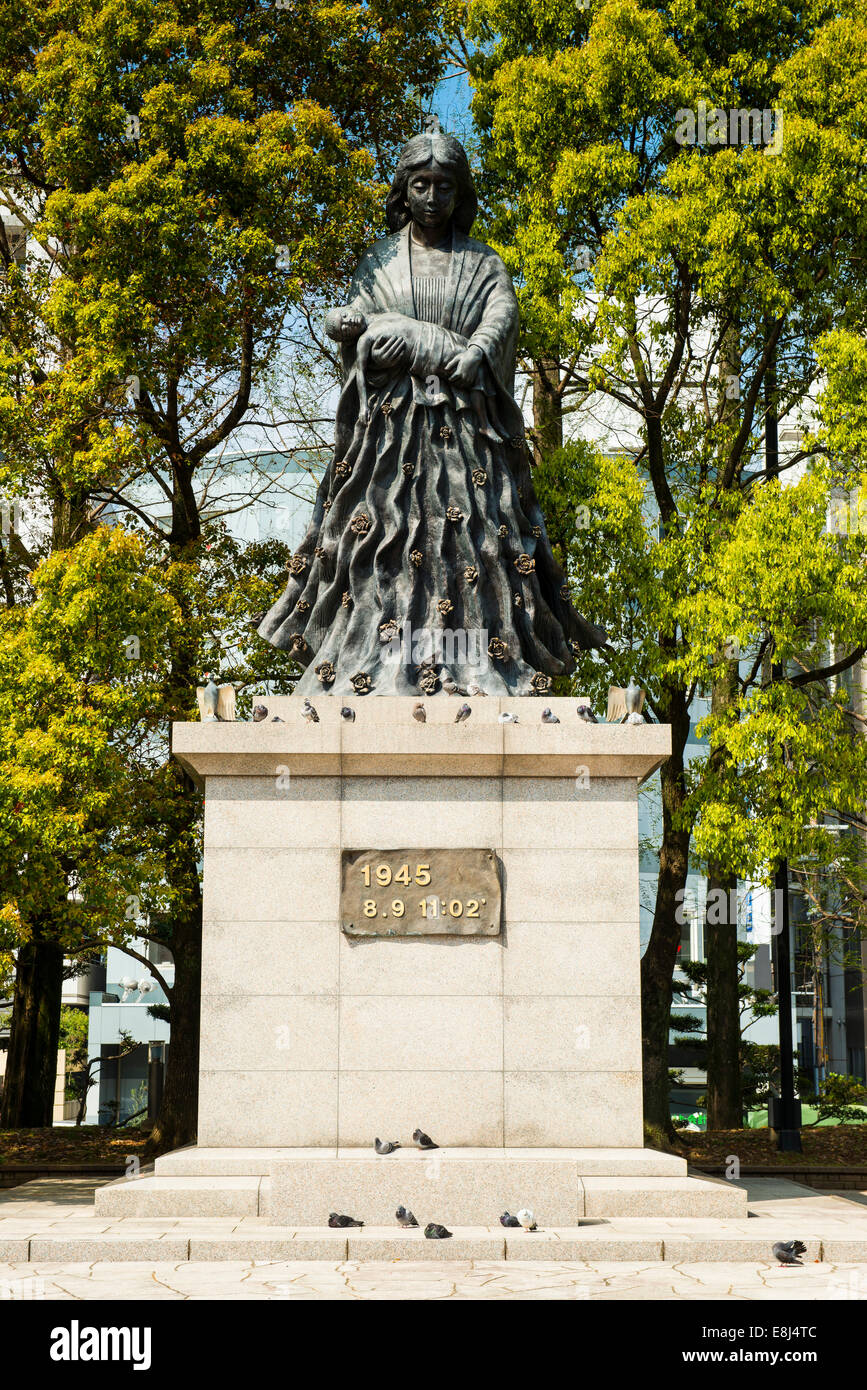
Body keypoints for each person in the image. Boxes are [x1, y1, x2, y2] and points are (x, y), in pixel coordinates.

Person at [258, 132, 605, 695]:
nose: (431, 196)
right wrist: (353, 330)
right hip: (390, 436)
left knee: (474, 544)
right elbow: (360, 322)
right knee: (383, 543)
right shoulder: (378, 262)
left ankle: (481, 660)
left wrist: (472, 351)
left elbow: (500, 317)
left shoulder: (484, 262)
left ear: (459, 191)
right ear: (404, 189)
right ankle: (375, 660)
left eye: (444, 186)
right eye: (420, 184)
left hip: (464, 434)